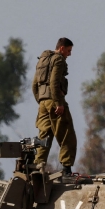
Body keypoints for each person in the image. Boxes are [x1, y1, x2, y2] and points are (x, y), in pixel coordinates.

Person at [32, 38, 77, 174]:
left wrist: (41, 101)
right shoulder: (58, 60)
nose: (69, 54)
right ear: (62, 48)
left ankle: (38, 167)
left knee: (44, 136)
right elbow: (54, 82)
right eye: (68, 50)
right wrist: (58, 103)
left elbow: (34, 85)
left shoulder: (43, 60)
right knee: (66, 134)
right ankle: (66, 168)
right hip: (55, 101)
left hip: (43, 103)